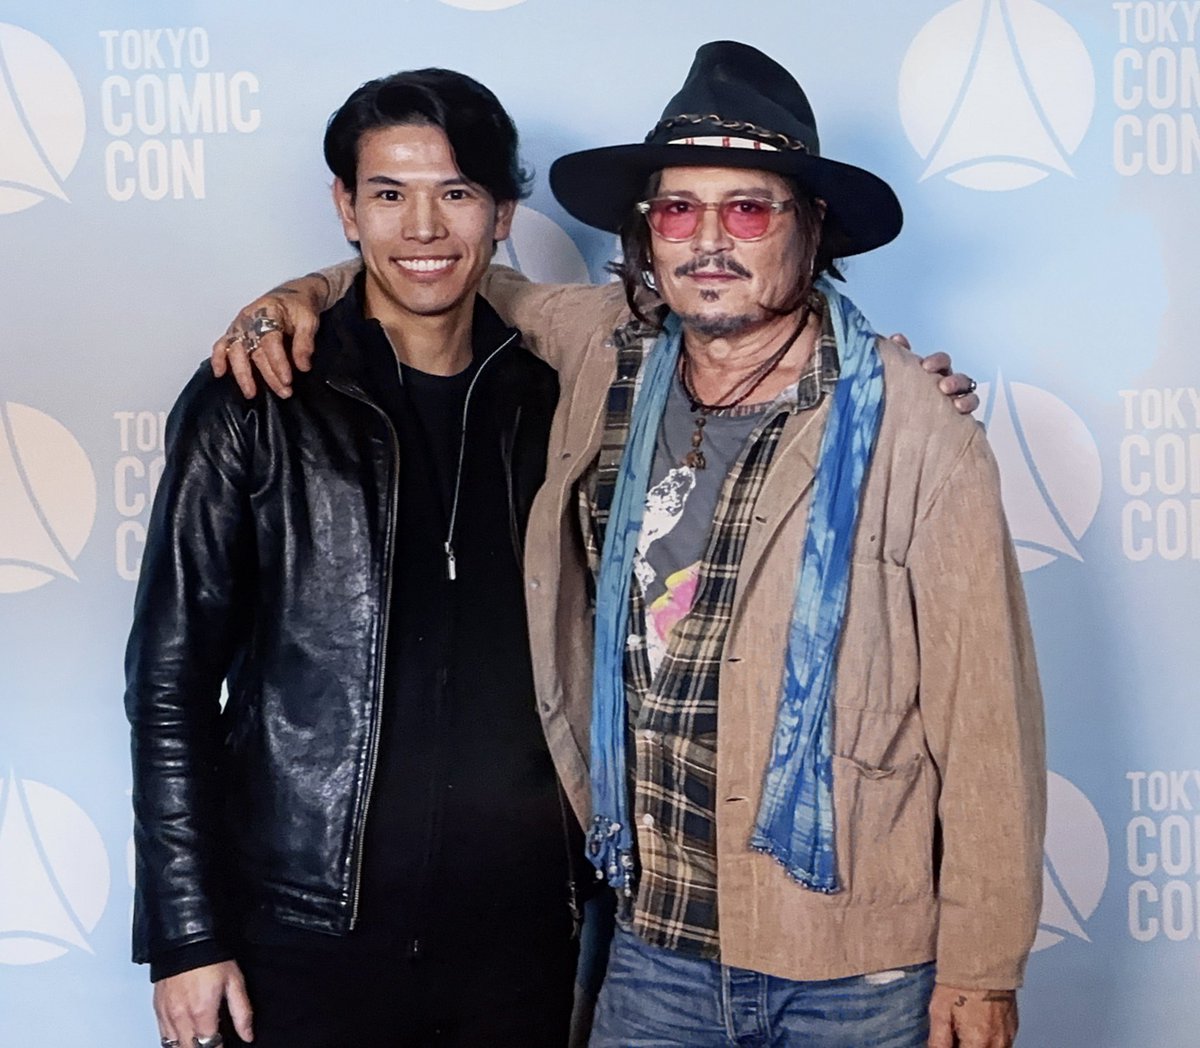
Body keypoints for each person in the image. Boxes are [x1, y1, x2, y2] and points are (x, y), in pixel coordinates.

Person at [211, 45, 1022, 1048]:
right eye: (677, 211)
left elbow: (986, 723)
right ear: (647, 234)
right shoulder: (608, 349)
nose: (708, 241)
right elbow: (441, 271)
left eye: (748, 210)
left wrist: (984, 969)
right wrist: (295, 294)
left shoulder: (912, 426)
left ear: (812, 228)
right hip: (652, 950)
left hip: (852, 965)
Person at [126, 69, 584, 1048]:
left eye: (456, 192)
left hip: (521, 941)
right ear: (345, 208)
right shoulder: (255, 396)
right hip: (302, 934)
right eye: (388, 193)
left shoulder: (557, 399)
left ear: (503, 212)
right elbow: (170, 683)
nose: (423, 226)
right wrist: (187, 934)